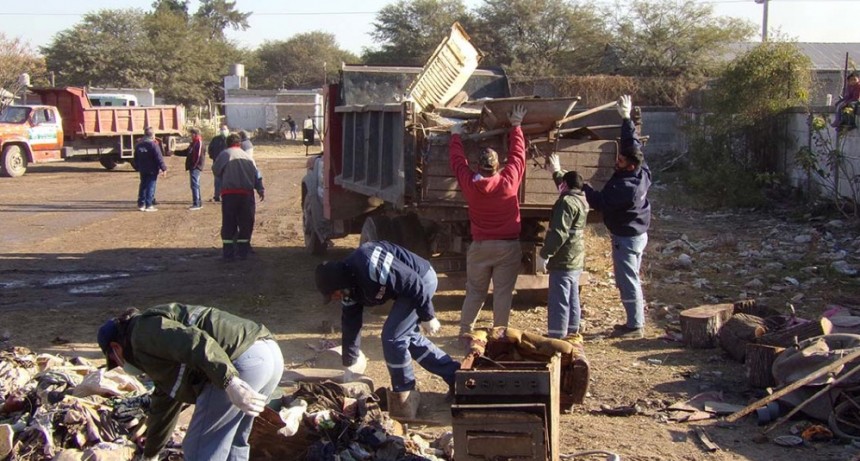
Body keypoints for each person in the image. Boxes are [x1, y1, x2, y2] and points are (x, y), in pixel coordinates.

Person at [97, 303, 282, 461]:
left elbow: (193, 342)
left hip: (239, 362)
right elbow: (164, 404)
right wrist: (150, 455)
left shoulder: (142, 332)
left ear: (115, 347)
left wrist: (230, 381)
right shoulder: (155, 354)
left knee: (199, 448)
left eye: (114, 360)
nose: (119, 365)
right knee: (233, 441)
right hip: (269, 355)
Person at [314, 241, 460, 411]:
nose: (335, 298)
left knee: (392, 337)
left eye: (333, 293)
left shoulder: (369, 263)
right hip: (407, 289)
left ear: (339, 283)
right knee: (408, 338)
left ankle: (404, 393)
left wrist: (428, 315)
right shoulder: (348, 291)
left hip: (421, 280)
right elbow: (351, 324)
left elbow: (412, 281)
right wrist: (349, 362)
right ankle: (455, 377)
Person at [449, 104, 527, 340]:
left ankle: (465, 332)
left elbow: (457, 163)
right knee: (503, 293)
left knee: (475, 291)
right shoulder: (508, 182)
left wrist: (455, 135)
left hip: (480, 246)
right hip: (507, 247)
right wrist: (516, 125)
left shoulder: (471, 186)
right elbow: (518, 156)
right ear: (497, 166)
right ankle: (499, 334)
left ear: (478, 166)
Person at [583, 95, 651, 339]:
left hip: (626, 238)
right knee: (631, 278)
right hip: (637, 234)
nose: (616, 160)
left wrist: (581, 186)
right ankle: (635, 321)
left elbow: (600, 202)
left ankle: (635, 326)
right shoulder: (642, 171)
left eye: (620, 160)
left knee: (627, 280)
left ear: (629, 165)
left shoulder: (625, 188)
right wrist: (626, 118)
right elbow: (633, 144)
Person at [539, 161, 589, 340]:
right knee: (572, 296)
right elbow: (564, 186)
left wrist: (545, 254)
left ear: (566, 185)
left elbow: (558, 233)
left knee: (558, 299)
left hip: (564, 257)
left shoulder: (566, 202)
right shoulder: (582, 199)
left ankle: (557, 336)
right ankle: (572, 332)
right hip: (576, 257)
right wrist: (556, 171)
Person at [212, 134, 265, 261]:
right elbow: (257, 175)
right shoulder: (248, 157)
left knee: (229, 223)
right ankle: (243, 252)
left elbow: (216, 170)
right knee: (246, 223)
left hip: (230, 195)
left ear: (227, 144)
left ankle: (228, 254)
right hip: (246, 195)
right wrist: (260, 189)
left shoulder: (225, 154)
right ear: (240, 144)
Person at [134, 126, 167, 212]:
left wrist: (137, 166)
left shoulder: (139, 145)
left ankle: (141, 204)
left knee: (143, 186)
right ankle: (149, 205)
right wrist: (163, 168)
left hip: (142, 169)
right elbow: (159, 158)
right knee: (150, 186)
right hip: (152, 169)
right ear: (152, 135)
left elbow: (135, 158)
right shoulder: (153, 145)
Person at [208, 124, 230, 202]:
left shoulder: (229, 139)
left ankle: (225, 195)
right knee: (217, 180)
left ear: (228, 130)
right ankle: (217, 196)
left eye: (225, 129)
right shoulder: (215, 139)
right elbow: (210, 149)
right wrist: (213, 157)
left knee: (226, 180)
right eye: (222, 129)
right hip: (217, 162)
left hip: (227, 163)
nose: (223, 131)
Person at [185, 127, 205, 211]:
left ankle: (196, 203)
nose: (190, 136)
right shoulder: (193, 143)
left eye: (191, 134)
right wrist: (174, 152)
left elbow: (198, 156)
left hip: (196, 167)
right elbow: (186, 152)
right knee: (194, 184)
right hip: (193, 167)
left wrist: (194, 165)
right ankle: (198, 203)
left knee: (195, 185)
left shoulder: (199, 143)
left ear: (195, 134)